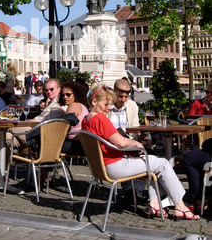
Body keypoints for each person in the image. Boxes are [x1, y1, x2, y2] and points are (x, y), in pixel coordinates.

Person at [82, 85, 200, 220]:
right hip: (115, 166)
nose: (109, 108)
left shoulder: (87, 120)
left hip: (101, 168)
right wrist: (137, 144)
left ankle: (154, 204)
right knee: (162, 163)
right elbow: (121, 142)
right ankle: (180, 205)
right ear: (94, 101)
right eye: (106, 104)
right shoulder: (100, 119)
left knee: (153, 163)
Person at [59, 80, 89, 156]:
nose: (65, 97)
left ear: (76, 93)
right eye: (63, 95)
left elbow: (63, 127)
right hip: (82, 144)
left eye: (68, 95)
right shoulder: (82, 106)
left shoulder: (74, 105)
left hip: (73, 144)